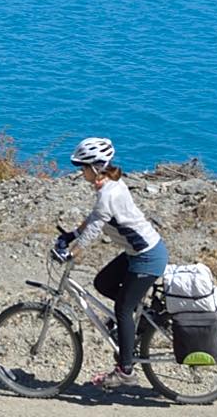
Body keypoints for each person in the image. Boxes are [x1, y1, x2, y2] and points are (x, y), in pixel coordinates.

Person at [52, 136, 166, 389]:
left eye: (83, 167)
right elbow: (94, 218)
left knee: (123, 310)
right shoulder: (110, 185)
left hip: (147, 257)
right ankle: (140, 323)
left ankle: (126, 371)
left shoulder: (108, 194)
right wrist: (71, 234)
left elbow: (94, 229)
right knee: (103, 283)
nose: (81, 172)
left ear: (95, 167)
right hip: (138, 252)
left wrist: (72, 252)